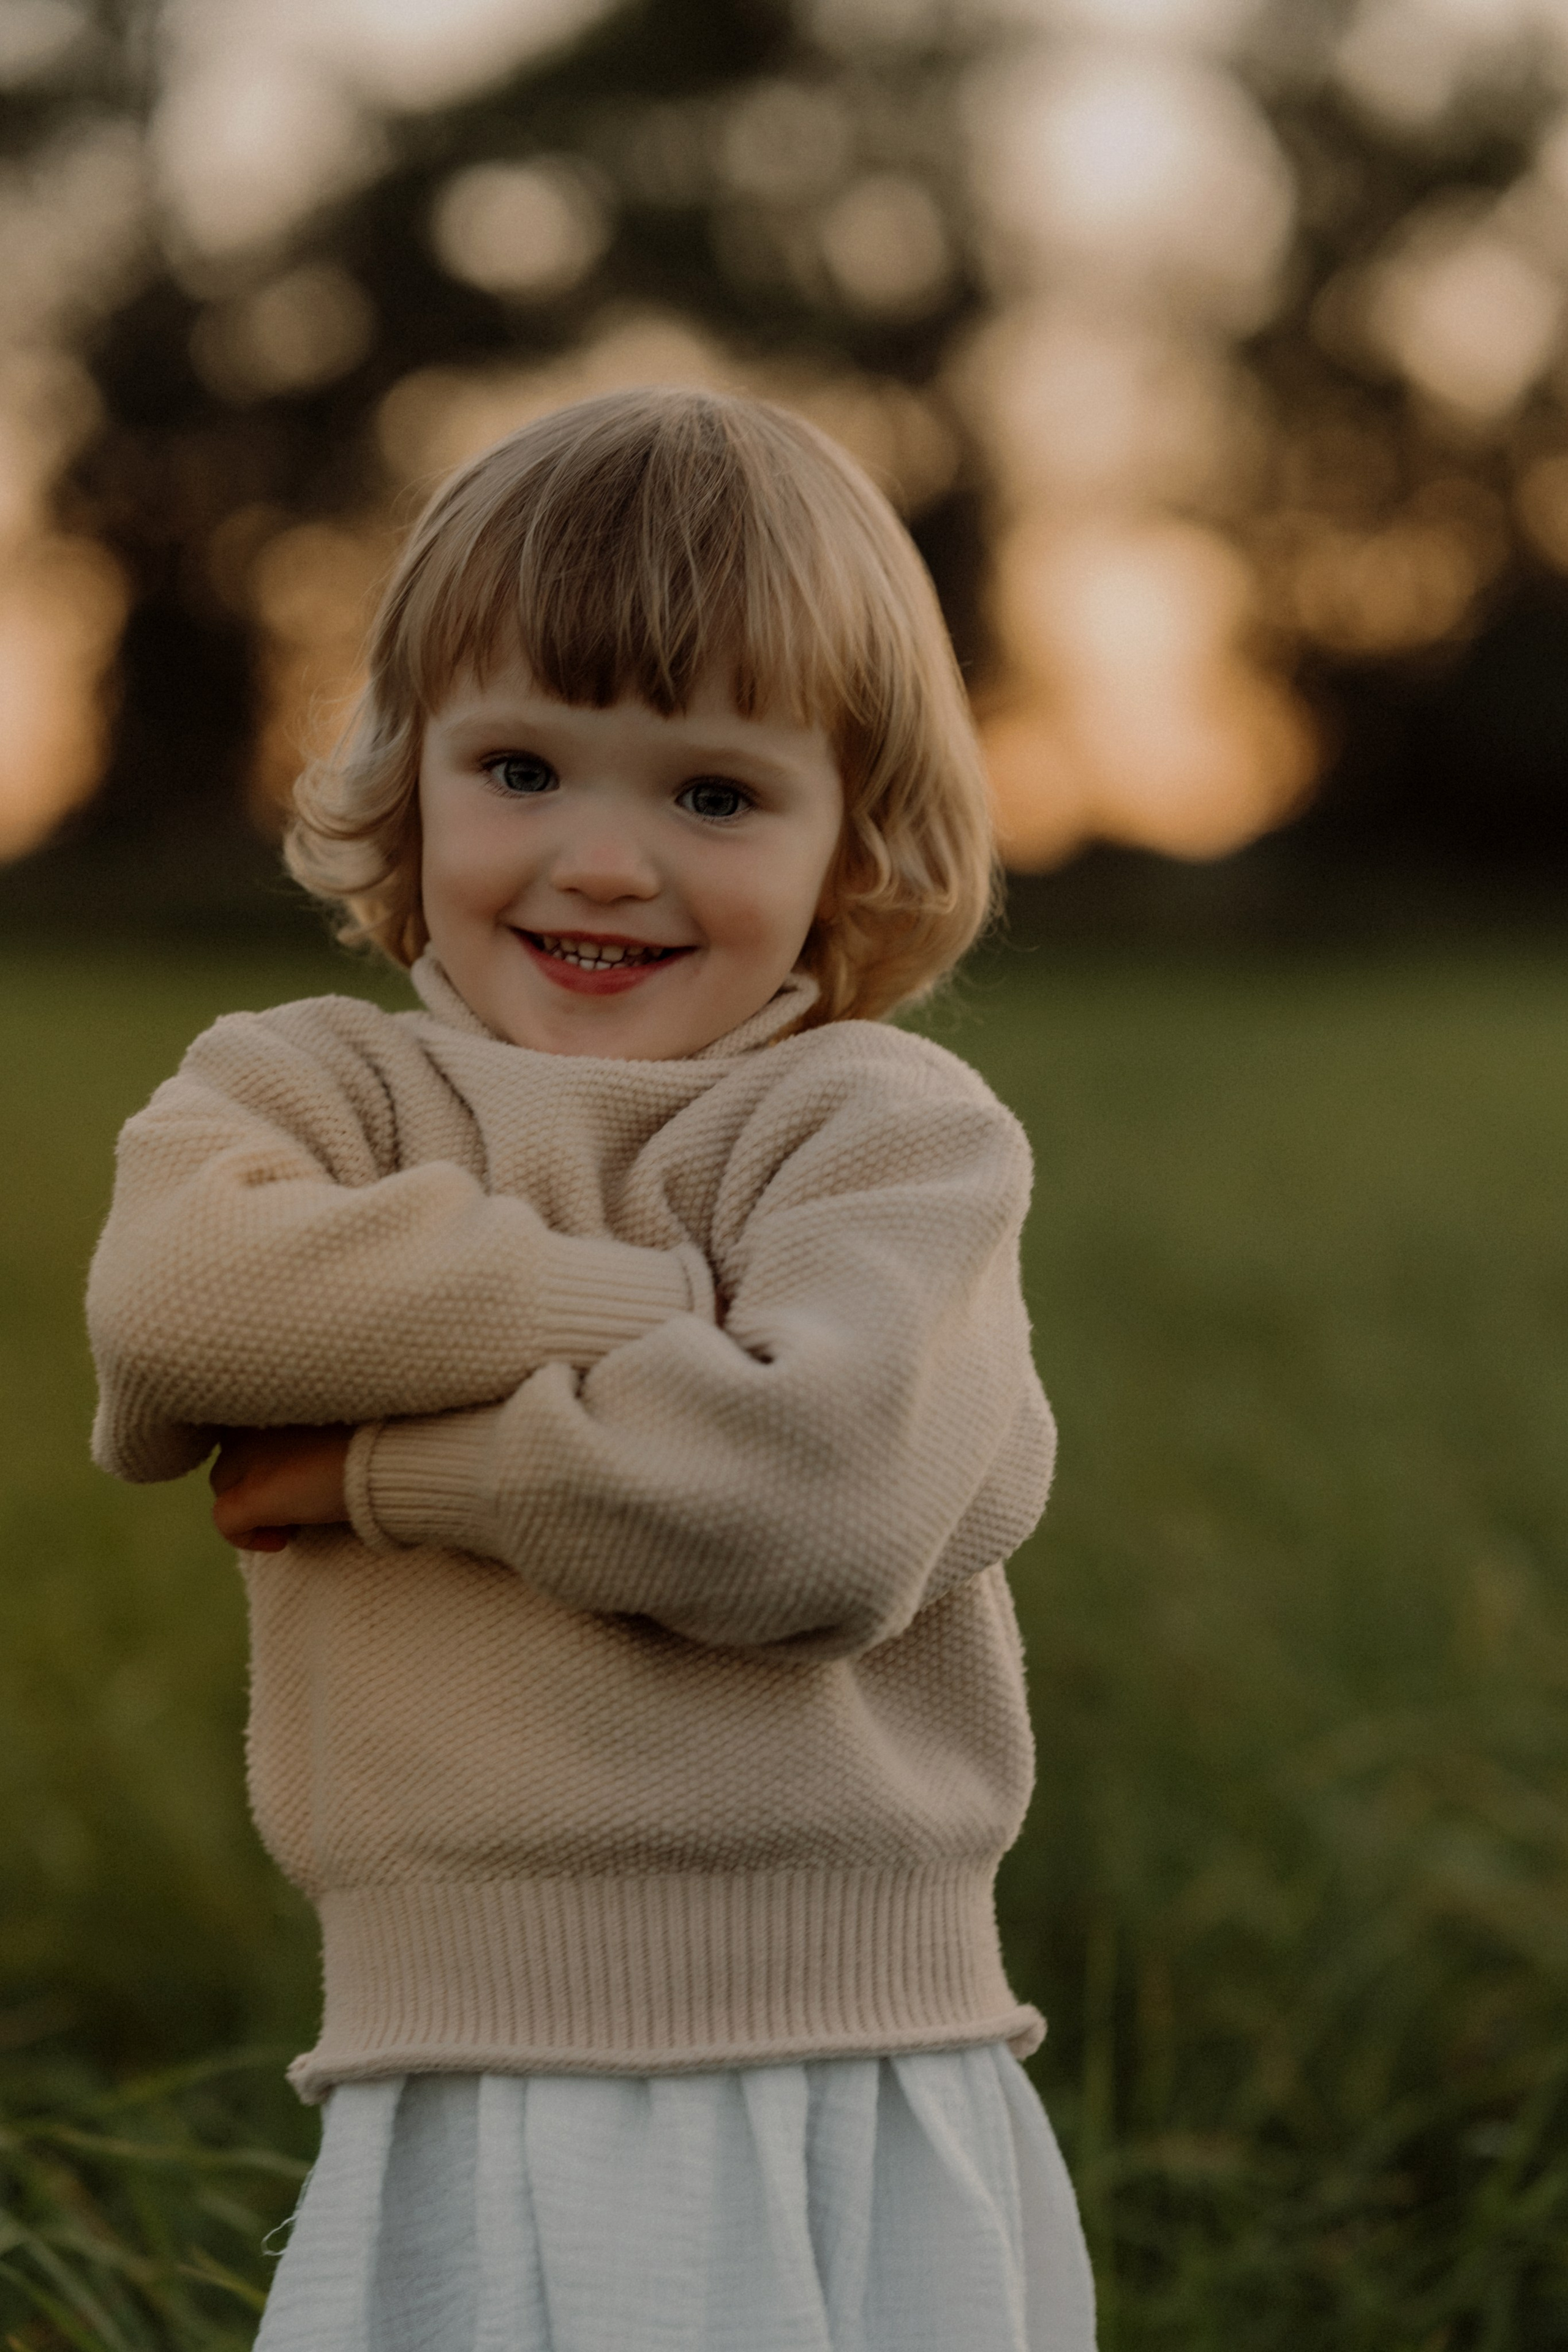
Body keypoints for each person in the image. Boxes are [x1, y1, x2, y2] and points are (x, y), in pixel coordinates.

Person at [86, 386, 1096, 2352]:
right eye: (525, 766)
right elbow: (180, 1312)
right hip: (443, 2056)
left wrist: (386, 1474)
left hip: (843, 2057)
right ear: (412, 778)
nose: (605, 863)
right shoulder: (317, 1087)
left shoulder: (884, 1132)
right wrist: (663, 1322)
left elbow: (813, 1506)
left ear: (850, 835)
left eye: (713, 797)